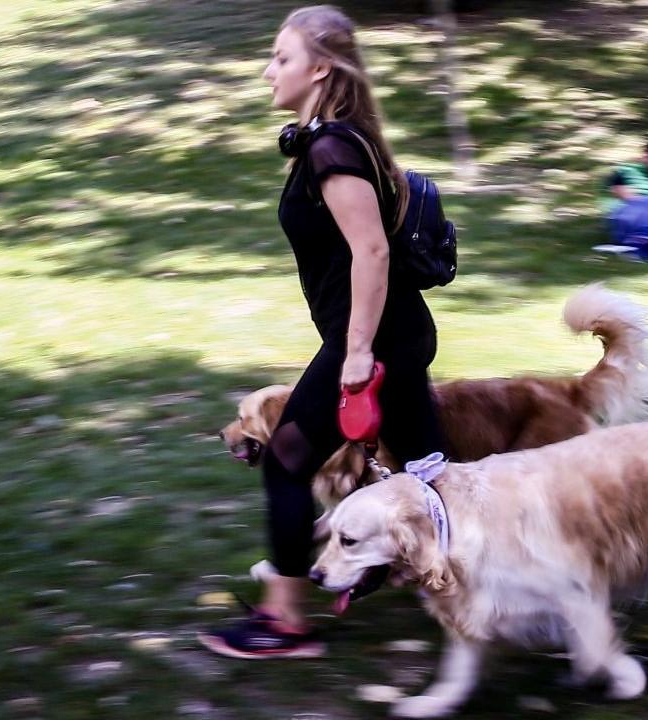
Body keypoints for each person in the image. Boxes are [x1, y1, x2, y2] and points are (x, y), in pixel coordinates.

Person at [199, 4, 446, 660]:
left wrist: (358, 354)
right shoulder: (331, 141)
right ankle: (508, 587)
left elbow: (372, 253)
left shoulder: (334, 148)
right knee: (436, 478)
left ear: (320, 69)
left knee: (286, 461)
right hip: (396, 334)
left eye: (280, 58)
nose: (266, 71)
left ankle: (285, 622)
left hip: (375, 341)